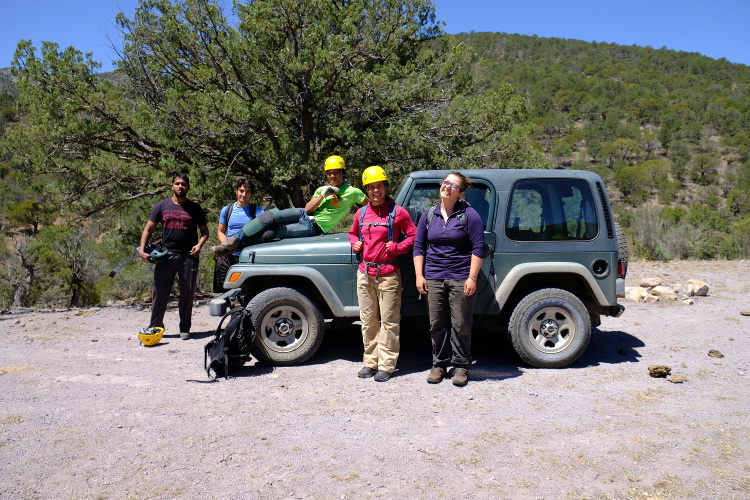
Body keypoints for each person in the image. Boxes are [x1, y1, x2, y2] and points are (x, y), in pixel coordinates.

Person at [413, 172, 485, 386]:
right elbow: (419, 246)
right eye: (445, 183)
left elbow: (478, 247)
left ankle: (461, 366)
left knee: (461, 324)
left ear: (460, 192)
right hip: (433, 277)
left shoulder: (470, 215)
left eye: (454, 185)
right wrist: (419, 275)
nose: (448, 187)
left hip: (460, 277)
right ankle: (439, 364)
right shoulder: (428, 215)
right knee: (436, 324)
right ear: (440, 186)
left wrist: (472, 277)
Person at [212, 155, 367, 255]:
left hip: (313, 227)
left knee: (272, 233)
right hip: (303, 214)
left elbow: (370, 206)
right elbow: (308, 209)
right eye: (329, 173)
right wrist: (323, 194)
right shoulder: (322, 189)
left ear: (343, 172)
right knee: (269, 216)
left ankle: (233, 249)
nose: (332, 176)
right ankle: (233, 240)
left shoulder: (353, 192)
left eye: (336, 172)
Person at [349, 166, 416, 382]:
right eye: (371, 187)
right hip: (365, 274)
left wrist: (398, 247)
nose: (376, 191)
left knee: (389, 321)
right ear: (366, 189)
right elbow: (351, 234)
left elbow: (413, 236)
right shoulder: (361, 213)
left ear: (385, 187)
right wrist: (355, 243)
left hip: (388, 275)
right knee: (368, 321)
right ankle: (370, 362)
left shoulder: (398, 212)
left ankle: (386, 365)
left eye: (379, 186)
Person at [139, 173, 209, 340]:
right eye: (177, 183)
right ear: (172, 186)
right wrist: (142, 250)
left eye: (183, 184)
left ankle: (184, 328)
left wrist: (199, 245)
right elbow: (148, 229)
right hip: (166, 255)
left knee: (187, 293)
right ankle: (155, 326)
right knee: (159, 292)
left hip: (188, 257)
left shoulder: (195, 208)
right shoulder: (162, 206)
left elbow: (205, 232)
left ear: (188, 187)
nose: (180, 186)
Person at [213, 177, 264, 292]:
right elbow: (221, 231)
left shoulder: (257, 211)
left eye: (247, 192)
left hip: (247, 256)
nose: (244, 194)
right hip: (227, 256)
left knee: (247, 290)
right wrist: (226, 244)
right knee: (223, 289)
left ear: (251, 193)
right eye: (241, 191)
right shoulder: (227, 210)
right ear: (236, 191)